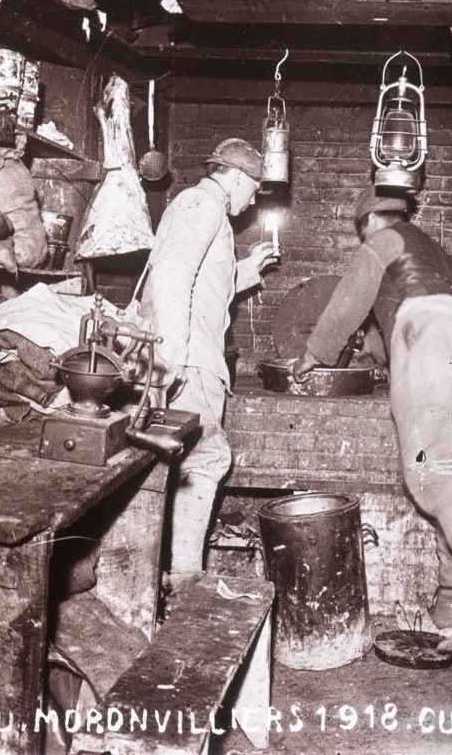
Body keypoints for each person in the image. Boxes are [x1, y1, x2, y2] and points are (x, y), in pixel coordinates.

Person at [292, 187, 452, 653]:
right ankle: (451, 602)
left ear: (369, 221)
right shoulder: (439, 256)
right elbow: (382, 329)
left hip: (426, 342)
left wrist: (314, 354)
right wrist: (377, 353)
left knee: (431, 476)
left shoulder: (383, 239)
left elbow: (350, 300)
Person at [139, 138, 278, 584]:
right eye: (254, 189)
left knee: (177, 463)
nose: (253, 199)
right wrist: (174, 354)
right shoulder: (202, 204)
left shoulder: (202, 208)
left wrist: (247, 267)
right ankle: (183, 580)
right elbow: (171, 277)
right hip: (189, 358)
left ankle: (169, 575)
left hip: (190, 353)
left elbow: (204, 286)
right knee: (207, 458)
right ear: (236, 178)